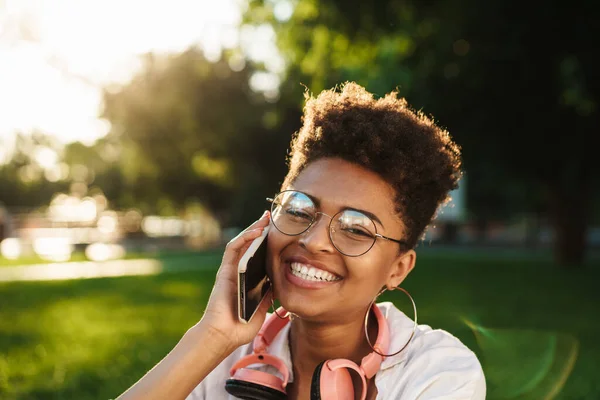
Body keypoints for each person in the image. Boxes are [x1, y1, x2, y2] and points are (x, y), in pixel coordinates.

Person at [117, 82, 486, 399]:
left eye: (356, 229)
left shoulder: (442, 372)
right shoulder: (225, 353)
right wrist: (212, 336)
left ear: (398, 268)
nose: (313, 241)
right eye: (298, 208)